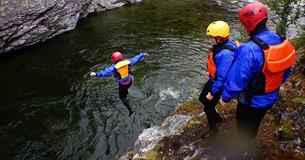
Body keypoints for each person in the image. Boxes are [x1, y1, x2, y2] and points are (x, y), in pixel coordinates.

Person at [219, 2, 296, 143]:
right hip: (271, 96)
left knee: (244, 127)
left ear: (248, 24)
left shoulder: (248, 50)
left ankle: (243, 147)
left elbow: (237, 79)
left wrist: (225, 97)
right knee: (255, 123)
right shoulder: (278, 39)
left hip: (251, 101)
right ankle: (249, 140)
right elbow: (285, 69)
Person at [199, 21, 236, 136]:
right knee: (202, 99)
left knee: (207, 107)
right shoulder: (220, 46)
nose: (211, 39)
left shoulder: (225, 54)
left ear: (219, 38)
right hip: (213, 79)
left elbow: (222, 78)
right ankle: (215, 116)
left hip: (218, 85)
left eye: (212, 37)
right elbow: (216, 64)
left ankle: (213, 130)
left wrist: (213, 92)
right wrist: (210, 72)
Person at [90, 51, 148, 116]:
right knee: (125, 89)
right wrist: (142, 54)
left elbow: (105, 73)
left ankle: (130, 110)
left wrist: (96, 74)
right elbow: (135, 59)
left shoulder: (114, 67)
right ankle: (126, 96)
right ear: (121, 58)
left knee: (122, 97)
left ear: (113, 60)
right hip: (129, 81)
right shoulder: (127, 62)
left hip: (123, 84)